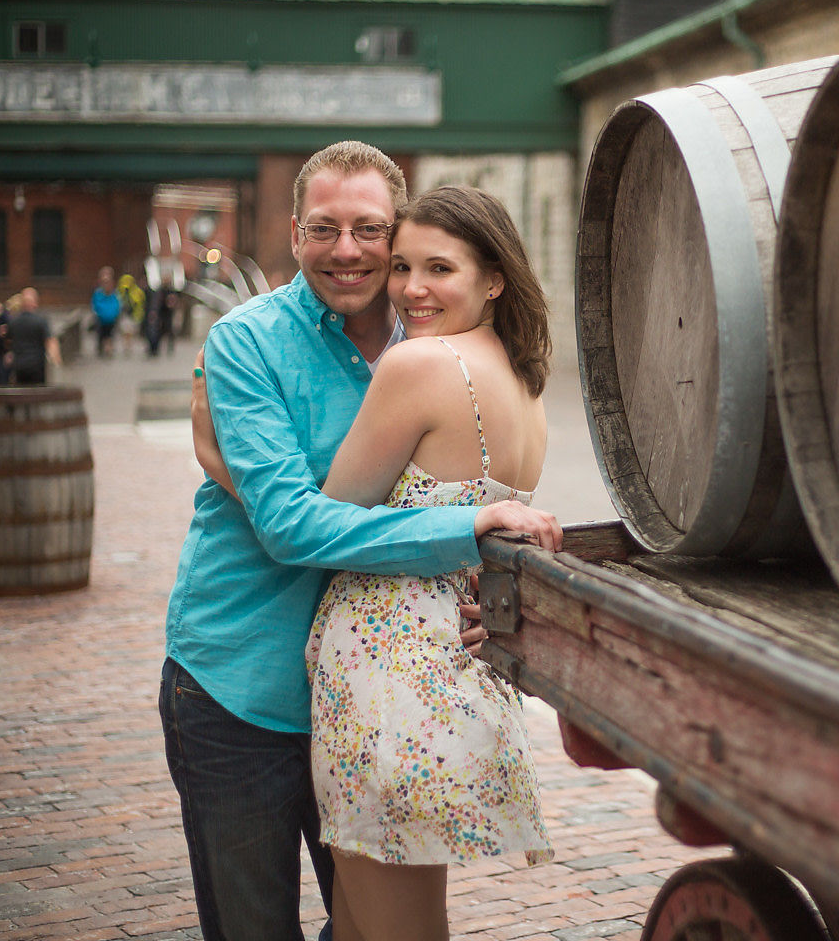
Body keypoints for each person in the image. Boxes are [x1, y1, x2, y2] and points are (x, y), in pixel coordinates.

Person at [162, 140, 559, 941]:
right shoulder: (248, 343)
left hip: (377, 693)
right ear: (295, 232)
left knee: (370, 927)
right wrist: (463, 531)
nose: (347, 251)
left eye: (370, 230)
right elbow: (291, 527)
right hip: (244, 683)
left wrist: (479, 569)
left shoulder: (426, 350)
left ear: (396, 231)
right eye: (323, 228)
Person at [304, 186, 555, 941]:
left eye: (439, 268)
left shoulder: (420, 365)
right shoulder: (523, 381)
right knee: (366, 922)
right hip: (453, 671)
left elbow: (332, 512)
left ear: (494, 278)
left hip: (386, 681)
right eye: (404, 265)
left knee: (394, 930)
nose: (412, 288)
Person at [5, 287, 60, 385]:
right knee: (37, 393)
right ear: (35, 303)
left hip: (19, 365)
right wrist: (55, 358)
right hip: (37, 365)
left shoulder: (13, 322)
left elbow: (8, 341)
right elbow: (49, 340)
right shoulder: (41, 321)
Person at [91, 266, 121, 358]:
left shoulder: (115, 293)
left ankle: (108, 349)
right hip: (101, 319)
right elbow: (95, 305)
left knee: (110, 335)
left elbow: (117, 305)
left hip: (111, 320)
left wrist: (115, 314)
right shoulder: (98, 293)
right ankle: (103, 349)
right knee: (101, 335)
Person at [116, 272, 145, 356]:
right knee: (127, 332)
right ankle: (127, 346)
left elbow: (140, 303)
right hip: (126, 315)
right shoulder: (121, 292)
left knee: (129, 332)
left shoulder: (135, 292)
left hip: (133, 315)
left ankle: (127, 345)